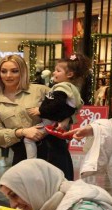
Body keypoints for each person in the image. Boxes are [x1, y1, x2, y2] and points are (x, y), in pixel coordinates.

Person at [26, 52, 91, 180]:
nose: (54, 73)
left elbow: (56, 105)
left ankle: (31, 164)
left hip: (51, 123)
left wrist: (40, 110)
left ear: (69, 74)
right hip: (58, 124)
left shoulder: (62, 88)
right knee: (59, 150)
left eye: (58, 71)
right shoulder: (71, 88)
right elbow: (73, 107)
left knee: (30, 140)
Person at [0, 55, 49, 166]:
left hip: (54, 152)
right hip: (22, 155)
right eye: (4, 71)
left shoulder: (40, 91)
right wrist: (22, 132)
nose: (8, 75)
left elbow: (70, 103)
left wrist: (65, 121)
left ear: (23, 72)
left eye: (14, 71)